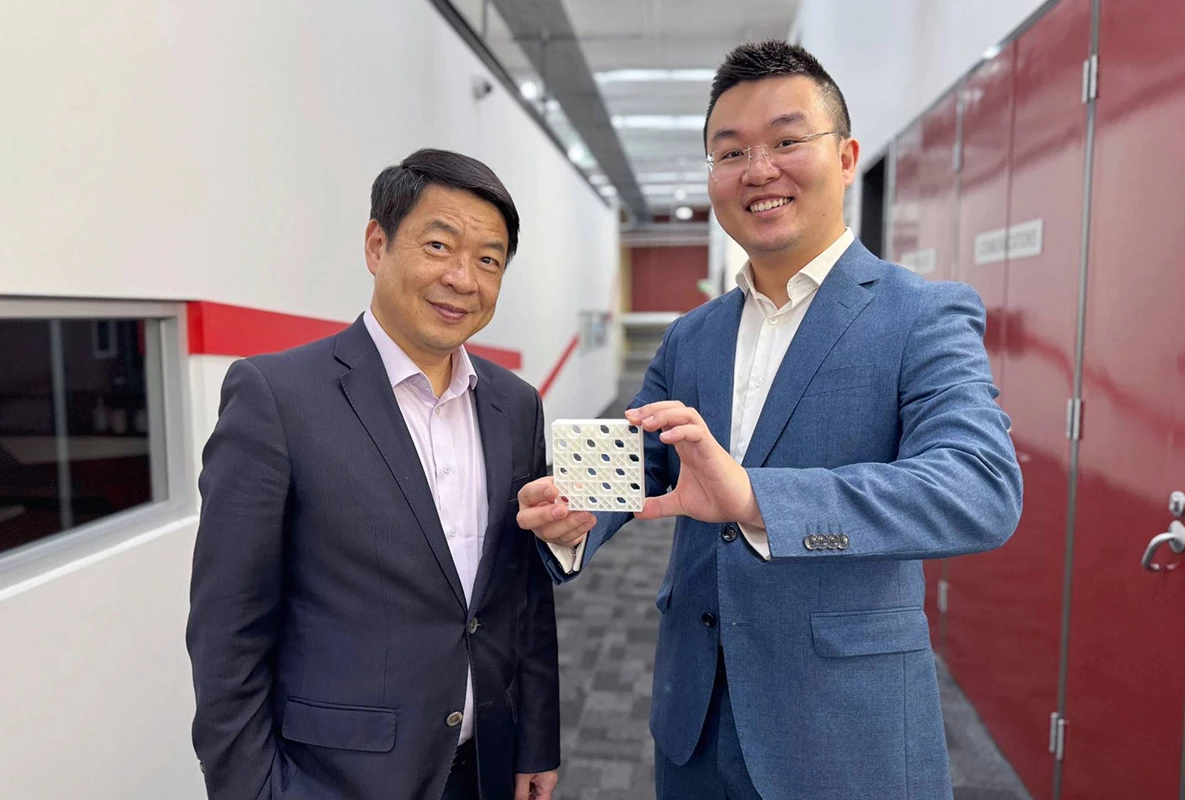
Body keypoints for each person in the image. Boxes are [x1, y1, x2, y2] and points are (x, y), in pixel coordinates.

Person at [518, 41, 1022, 800]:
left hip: (842, 734)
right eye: (732, 151)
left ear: (847, 157)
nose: (759, 170)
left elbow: (978, 489)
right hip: (692, 717)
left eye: (788, 141)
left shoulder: (921, 315)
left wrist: (756, 499)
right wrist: (578, 514)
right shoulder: (693, 335)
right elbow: (645, 471)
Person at [187, 149, 559, 800]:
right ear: (376, 244)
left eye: (488, 260)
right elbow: (227, 628)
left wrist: (536, 740)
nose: (462, 278)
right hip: (338, 779)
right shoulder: (277, 396)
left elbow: (523, 596)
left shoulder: (516, 404)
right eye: (439, 245)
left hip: (486, 766)